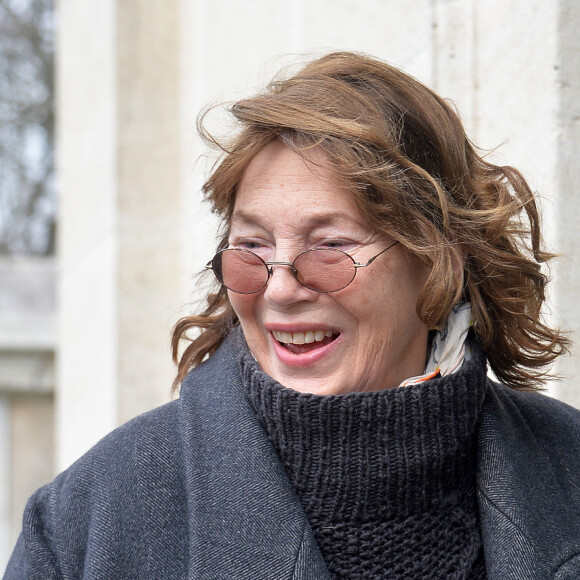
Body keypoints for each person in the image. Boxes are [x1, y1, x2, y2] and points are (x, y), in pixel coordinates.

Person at [5, 51, 580, 580]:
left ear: (440, 260)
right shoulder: (87, 522)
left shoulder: (568, 465)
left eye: (329, 247)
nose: (279, 289)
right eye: (251, 248)